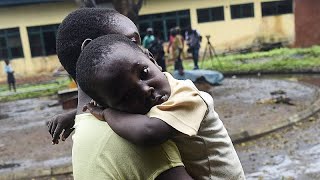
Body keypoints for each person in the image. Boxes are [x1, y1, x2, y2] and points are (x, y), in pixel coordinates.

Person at [48, 8, 192, 179]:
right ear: (90, 49)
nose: (144, 51)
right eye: (133, 42)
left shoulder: (85, 126)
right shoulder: (135, 139)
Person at [77, 34, 245, 180]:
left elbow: (149, 133)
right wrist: (74, 116)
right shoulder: (156, 99)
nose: (145, 90)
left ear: (153, 60)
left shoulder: (187, 96)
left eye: (144, 73)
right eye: (127, 96)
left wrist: (107, 114)